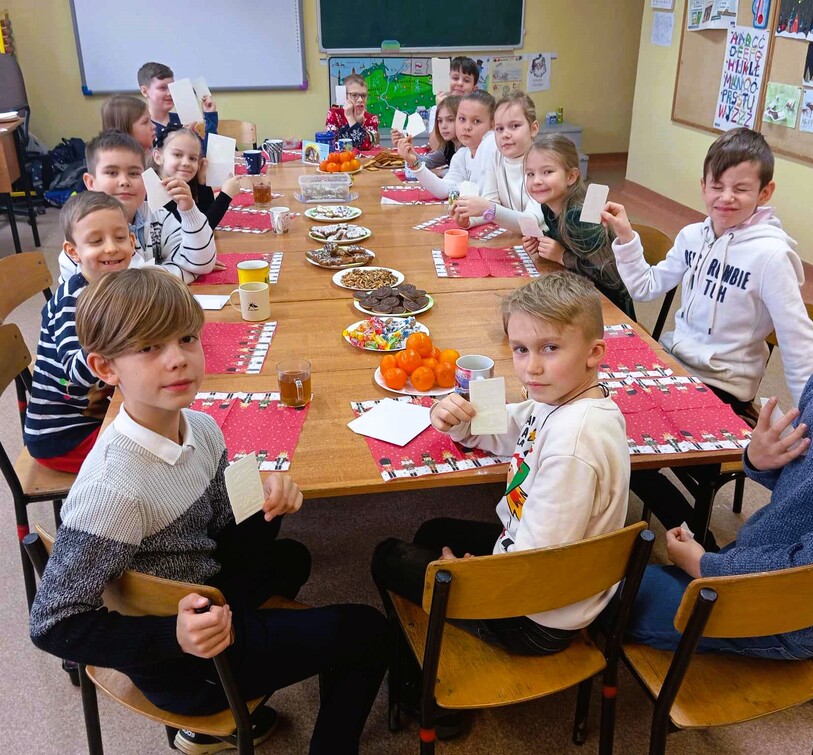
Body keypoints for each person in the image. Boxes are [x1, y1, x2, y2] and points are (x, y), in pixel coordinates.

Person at [29, 267, 390, 754]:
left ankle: (250, 677)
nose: (178, 359)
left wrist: (267, 498)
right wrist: (173, 635)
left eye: (186, 338)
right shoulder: (112, 491)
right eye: (148, 347)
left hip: (205, 590)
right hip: (185, 665)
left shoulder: (200, 426)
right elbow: (52, 623)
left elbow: (220, 526)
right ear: (106, 368)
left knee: (292, 558)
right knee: (368, 630)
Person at [619, 211, 813, 718]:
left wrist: (705, 566)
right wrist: (758, 458)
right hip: (763, 557)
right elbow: (803, 487)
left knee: (607, 600)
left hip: (790, 606)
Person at [372, 272, 630, 723]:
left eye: (550, 348)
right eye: (521, 349)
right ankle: (430, 663)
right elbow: (499, 426)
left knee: (387, 556)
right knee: (434, 531)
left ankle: (428, 704)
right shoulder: (561, 400)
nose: (531, 368)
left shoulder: (572, 446)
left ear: (594, 353)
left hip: (535, 619)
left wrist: (474, 578)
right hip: (540, 575)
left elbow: (534, 566)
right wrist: (453, 416)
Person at [601, 127, 813, 534]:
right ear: (703, 186)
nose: (726, 197)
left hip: (722, 384)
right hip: (675, 365)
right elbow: (646, 287)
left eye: (741, 188)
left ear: (765, 193)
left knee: (622, 442)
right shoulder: (693, 236)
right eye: (717, 186)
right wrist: (627, 237)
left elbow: (797, 342)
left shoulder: (772, 256)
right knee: (596, 405)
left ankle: (694, 541)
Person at [23, 191, 133, 472]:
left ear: (132, 242)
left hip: (97, 413)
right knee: (152, 452)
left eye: (120, 237)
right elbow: (77, 374)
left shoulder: (111, 288)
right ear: (73, 251)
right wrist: (120, 333)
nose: (112, 248)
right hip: (64, 436)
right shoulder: (72, 304)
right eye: (96, 241)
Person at [57, 130, 218, 285]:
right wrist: (183, 272)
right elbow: (116, 287)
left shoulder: (159, 216)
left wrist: (189, 211)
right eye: (112, 173)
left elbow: (201, 263)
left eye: (134, 173)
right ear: (90, 182)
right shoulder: (81, 234)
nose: (124, 182)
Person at [523, 133, 634, 318]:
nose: (536, 181)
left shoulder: (579, 217)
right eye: (530, 174)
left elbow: (613, 278)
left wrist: (561, 256)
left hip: (607, 307)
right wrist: (543, 242)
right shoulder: (547, 207)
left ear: (571, 176)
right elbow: (571, 244)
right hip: (578, 293)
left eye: (547, 172)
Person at [452, 91, 545, 233]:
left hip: (545, 239)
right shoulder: (496, 156)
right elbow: (492, 203)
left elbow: (530, 222)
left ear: (533, 128)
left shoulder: (543, 164)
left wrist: (490, 209)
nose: (505, 134)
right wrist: (469, 220)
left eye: (514, 126)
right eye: (499, 129)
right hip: (518, 237)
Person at [397, 90, 497, 200]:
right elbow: (444, 190)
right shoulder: (462, 155)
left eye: (476, 121)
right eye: (462, 119)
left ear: (493, 125)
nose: (467, 127)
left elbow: (490, 204)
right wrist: (414, 162)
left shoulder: (493, 147)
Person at [153, 124, 240, 229]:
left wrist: (201, 182)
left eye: (192, 158)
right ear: (158, 157)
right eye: (177, 155)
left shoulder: (182, 185)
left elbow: (202, 216)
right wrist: (226, 195)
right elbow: (201, 229)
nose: (186, 163)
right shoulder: (156, 194)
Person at [138, 61, 219, 153]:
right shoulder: (142, 126)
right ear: (145, 91)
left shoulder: (182, 121)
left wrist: (209, 115)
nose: (170, 93)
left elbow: (207, 154)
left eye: (171, 87)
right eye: (162, 88)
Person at [324, 73, 379, 151]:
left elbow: (365, 146)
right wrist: (350, 117)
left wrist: (353, 121)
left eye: (364, 95)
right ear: (345, 96)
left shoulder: (372, 119)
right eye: (354, 95)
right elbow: (332, 144)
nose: (360, 100)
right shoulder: (334, 114)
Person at [420, 94, 460, 171]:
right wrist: (408, 150)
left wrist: (439, 172)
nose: (443, 126)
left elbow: (462, 174)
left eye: (450, 120)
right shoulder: (449, 146)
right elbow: (427, 162)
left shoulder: (468, 149)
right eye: (440, 121)